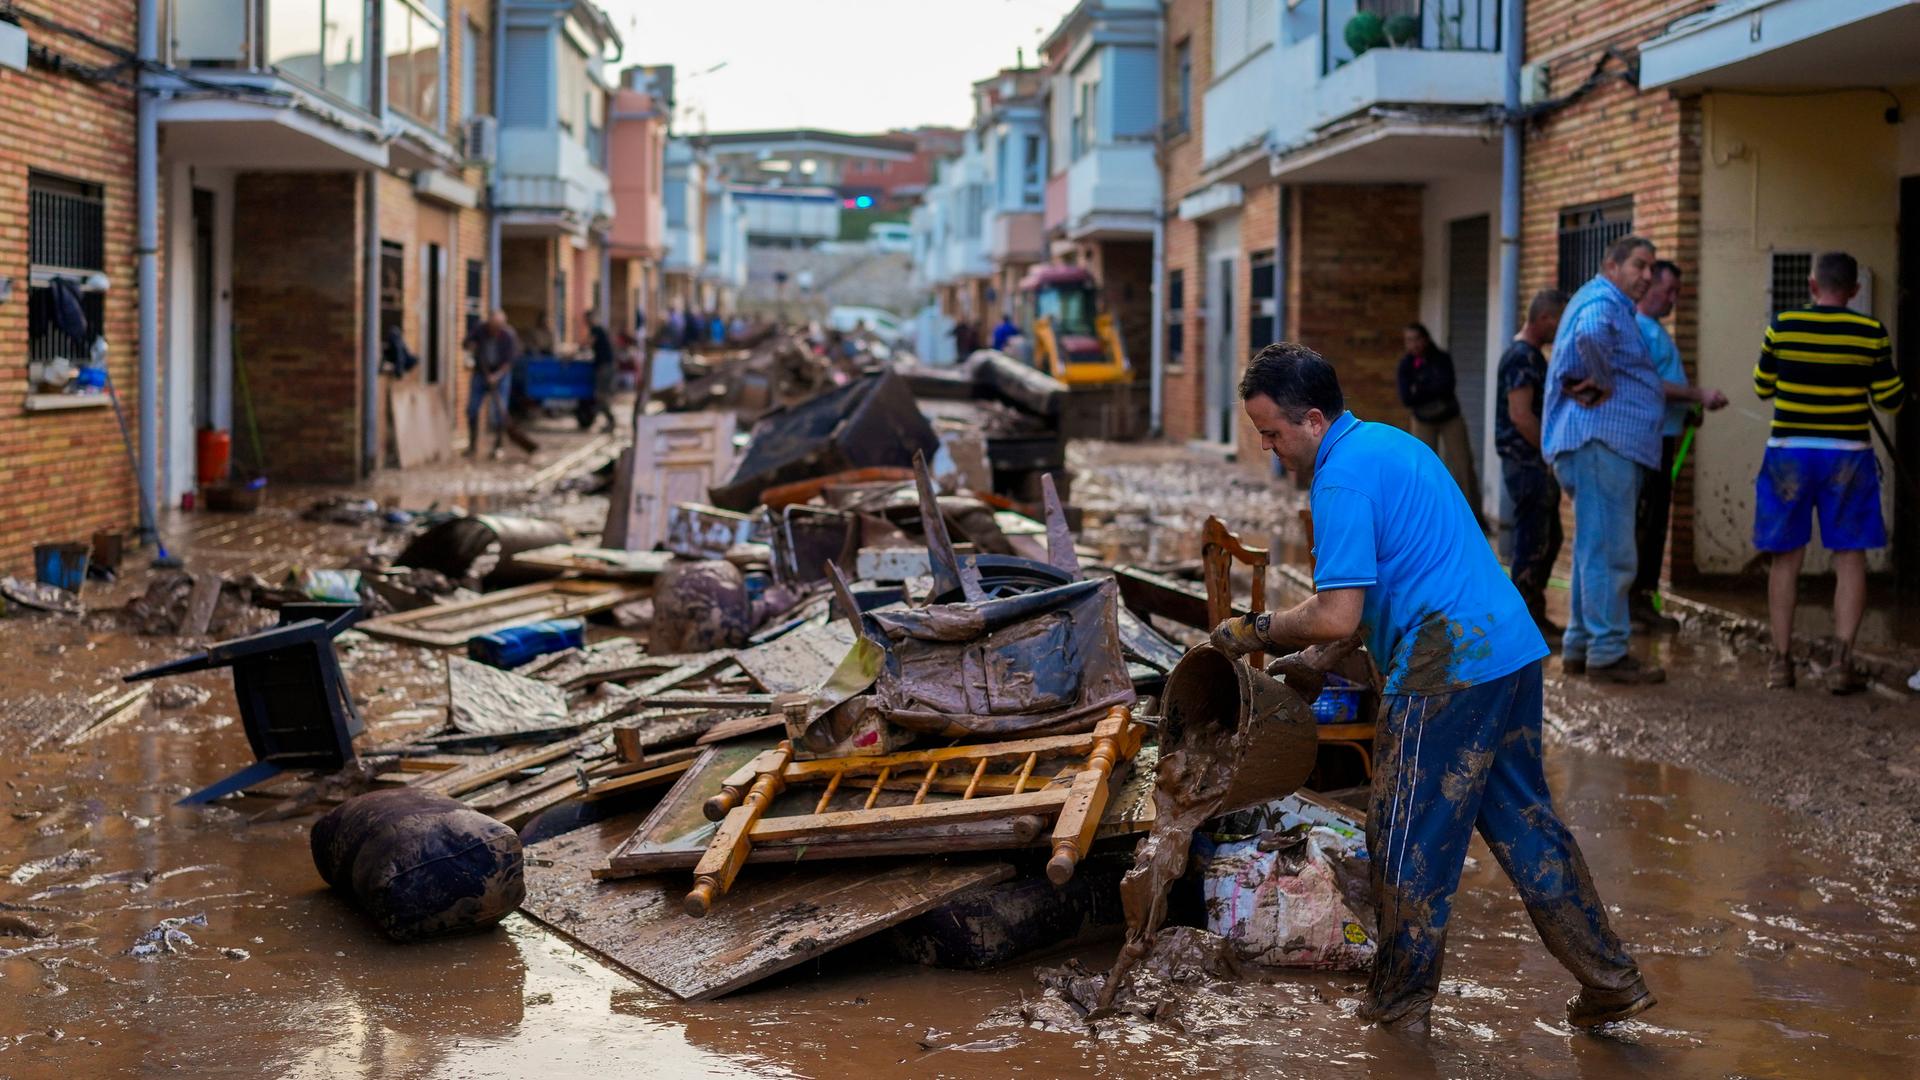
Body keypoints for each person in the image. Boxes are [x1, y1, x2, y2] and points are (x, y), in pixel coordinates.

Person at [1210, 342, 1653, 1034]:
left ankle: (1399, 1009)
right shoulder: (1389, 445)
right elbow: (1386, 588)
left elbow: (1337, 609)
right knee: (1526, 824)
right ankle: (1611, 980)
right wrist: (1321, 660)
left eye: (1272, 433)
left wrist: (1258, 629)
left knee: (1406, 841)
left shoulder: (1340, 481)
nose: (1270, 450)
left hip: (1444, 667)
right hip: (1506, 648)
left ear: (1315, 420)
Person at [1753, 251, 1908, 694]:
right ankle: (1843, 663)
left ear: (1812, 284)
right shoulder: (1870, 332)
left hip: (1789, 455)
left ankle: (1780, 664)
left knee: (1786, 557)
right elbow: (1890, 400)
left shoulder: (1782, 326)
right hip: (1848, 457)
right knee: (1850, 556)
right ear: (1855, 290)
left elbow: (1762, 387)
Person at [1543, 235, 1669, 684]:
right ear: (1612, 266)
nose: (1647, 276)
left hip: (1597, 447)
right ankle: (1608, 652)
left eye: (1652, 268)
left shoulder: (1603, 299)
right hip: (1602, 445)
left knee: (1593, 552)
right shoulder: (1604, 301)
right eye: (1640, 265)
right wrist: (1602, 379)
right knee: (1612, 554)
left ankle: (1582, 645)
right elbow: (1591, 334)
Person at [1632, 261, 1728, 630]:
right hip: (1648, 442)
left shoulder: (1655, 330)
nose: (1672, 300)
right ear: (1648, 287)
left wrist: (1688, 408)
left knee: (1656, 524)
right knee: (1647, 523)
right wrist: (1696, 394)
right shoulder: (1639, 329)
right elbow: (1650, 383)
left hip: (1665, 435)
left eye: (1677, 293)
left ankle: (1642, 600)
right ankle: (1636, 604)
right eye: (1667, 291)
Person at [1495, 289, 1568, 637]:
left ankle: (1532, 615)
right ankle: (1523, 624)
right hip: (1527, 464)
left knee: (1548, 537)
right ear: (1544, 319)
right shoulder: (1522, 358)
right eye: (1559, 320)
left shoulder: (1531, 356)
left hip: (1531, 463)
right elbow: (1521, 416)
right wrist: (1549, 451)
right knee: (1533, 541)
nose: (1562, 329)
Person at [1396, 324, 1481, 516]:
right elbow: (1406, 398)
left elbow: (1446, 386)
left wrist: (1419, 388)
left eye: (1416, 338)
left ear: (1425, 339)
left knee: (1462, 465)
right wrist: (1428, 389)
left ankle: (1471, 514)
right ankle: (1428, 513)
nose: (1413, 344)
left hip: (1449, 416)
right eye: (1408, 340)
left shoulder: (1441, 358)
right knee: (1422, 466)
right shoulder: (1406, 365)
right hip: (1422, 419)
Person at [464, 309, 519, 459]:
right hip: (481, 373)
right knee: (472, 409)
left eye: (498, 327)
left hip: (501, 374)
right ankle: (472, 445)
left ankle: (498, 446)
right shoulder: (480, 330)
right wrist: (470, 345)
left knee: (499, 411)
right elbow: (466, 343)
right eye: (493, 327)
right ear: (488, 324)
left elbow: (509, 362)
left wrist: (496, 376)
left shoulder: (508, 336)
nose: (495, 331)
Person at [584, 310, 619, 435]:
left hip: (604, 368)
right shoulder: (601, 330)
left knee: (601, 396)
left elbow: (588, 343)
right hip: (607, 366)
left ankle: (611, 421)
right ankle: (607, 421)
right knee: (602, 396)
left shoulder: (597, 330)